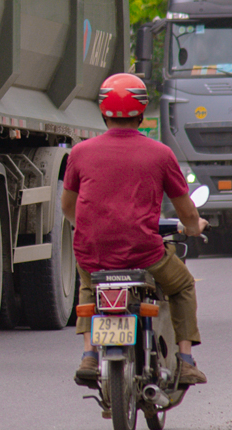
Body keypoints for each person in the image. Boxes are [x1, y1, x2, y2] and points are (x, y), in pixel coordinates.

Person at [64, 72, 207, 389]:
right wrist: (194, 226)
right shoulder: (160, 154)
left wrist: (89, 229)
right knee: (182, 285)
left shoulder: (80, 153)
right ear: (142, 114)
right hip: (145, 253)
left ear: (103, 112)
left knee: (90, 283)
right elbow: (185, 210)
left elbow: (67, 207)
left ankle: (89, 354)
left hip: (93, 251)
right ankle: (185, 361)